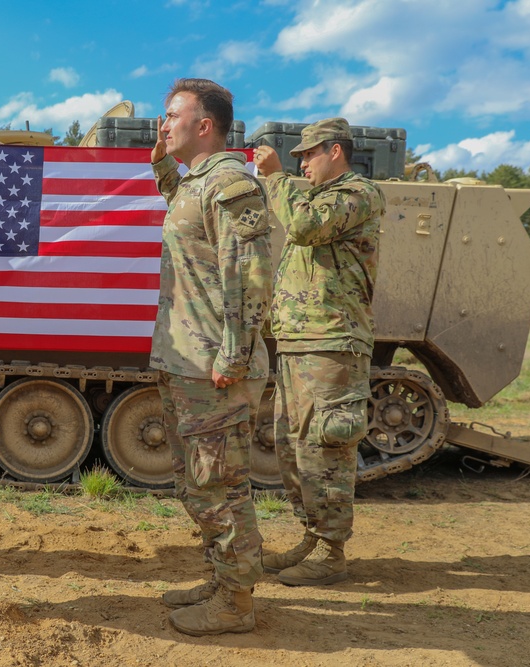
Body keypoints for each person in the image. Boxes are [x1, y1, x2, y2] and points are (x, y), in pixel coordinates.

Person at [150, 78, 273, 636]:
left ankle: (235, 602)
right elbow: (177, 200)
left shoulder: (230, 185)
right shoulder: (196, 184)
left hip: (215, 368)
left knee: (220, 483)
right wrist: (160, 157)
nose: (163, 122)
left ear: (205, 125)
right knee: (199, 481)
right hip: (190, 364)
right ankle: (224, 579)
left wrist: (236, 356)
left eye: (172, 115)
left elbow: (250, 278)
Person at [252, 118, 384, 586]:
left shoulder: (359, 193)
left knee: (326, 446)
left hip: (333, 343)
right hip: (300, 342)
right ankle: (312, 536)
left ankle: (332, 553)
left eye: (308, 155)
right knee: (294, 447)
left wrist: (273, 176)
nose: (302, 164)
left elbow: (306, 227)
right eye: (298, 159)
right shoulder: (311, 195)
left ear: (334, 151)